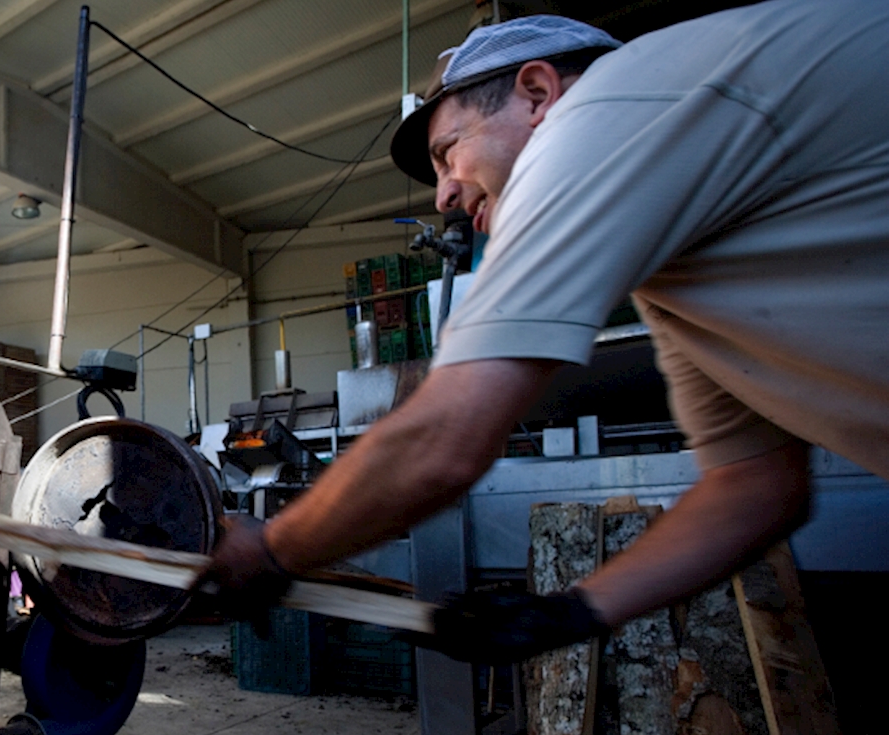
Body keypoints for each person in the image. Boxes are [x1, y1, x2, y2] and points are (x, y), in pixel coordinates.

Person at [196, 1, 889, 663]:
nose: (443, 197)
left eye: (447, 152)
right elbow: (756, 485)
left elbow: (445, 439)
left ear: (536, 92)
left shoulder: (598, 115)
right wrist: (572, 611)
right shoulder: (676, 270)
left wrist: (271, 549)